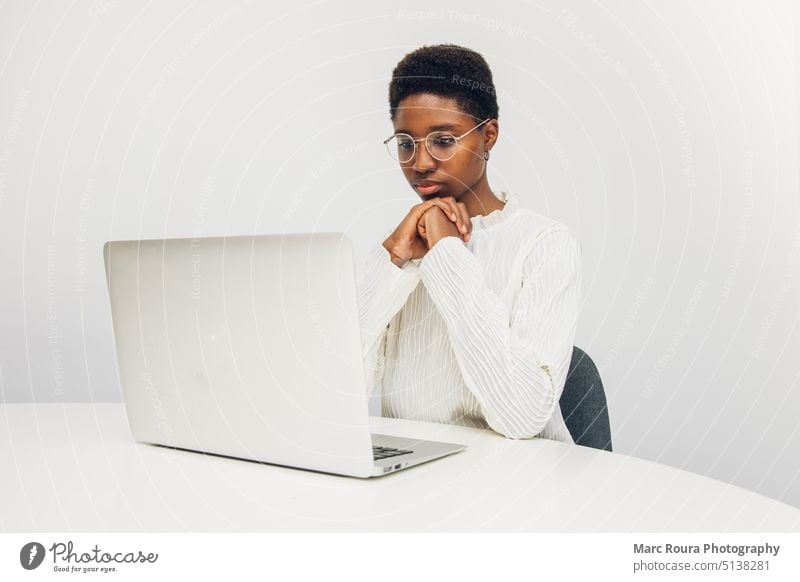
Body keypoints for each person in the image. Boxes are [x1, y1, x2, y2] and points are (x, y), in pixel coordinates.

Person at [357, 44, 581, 442]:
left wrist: (446, 255)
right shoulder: (405, 247)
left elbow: (523, 416)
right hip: (412, 482)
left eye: (442, 141)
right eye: (406, 143)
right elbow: (337, 392)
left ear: (488, 136)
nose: (420, 163)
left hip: (517, 485)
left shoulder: (544, 245)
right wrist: (390, 261)